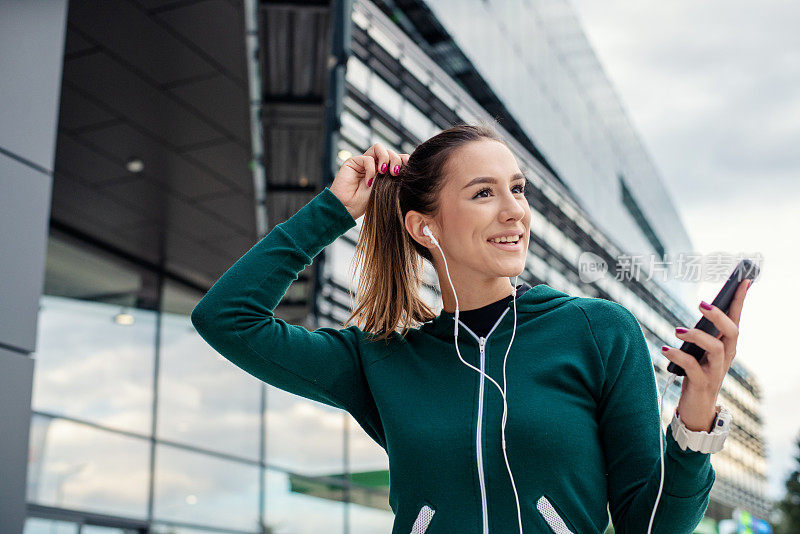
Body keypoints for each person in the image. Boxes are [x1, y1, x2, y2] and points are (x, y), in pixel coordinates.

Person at [190, 123, 750, 533]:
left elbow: (650, 527)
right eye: (484, 193)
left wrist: (696, 416)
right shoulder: (383, 358)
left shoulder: (598, 332)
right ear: (423, 227)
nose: (514, 212)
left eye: (518, 189)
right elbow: (226, 318)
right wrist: (335, 210)